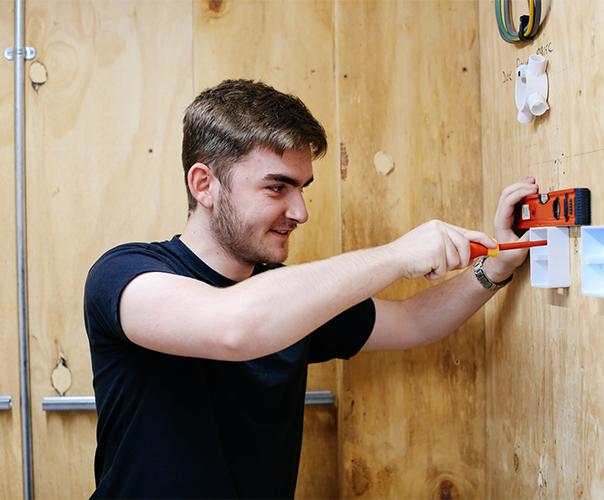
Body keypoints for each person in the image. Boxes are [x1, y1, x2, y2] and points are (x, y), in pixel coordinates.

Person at [84, 79, 538, 499]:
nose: (300, 211)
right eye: (277, 187)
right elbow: (234, 327)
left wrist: (494, 267)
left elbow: (413, 321)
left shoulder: (291, 299)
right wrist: (398, 254)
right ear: (205, 185)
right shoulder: (125, 274)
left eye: (302, 188)